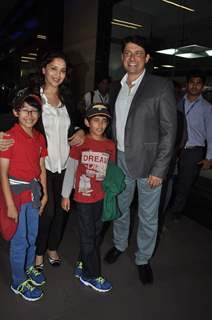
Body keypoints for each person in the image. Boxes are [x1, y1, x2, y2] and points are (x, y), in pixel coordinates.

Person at [104, 35, 177, 285]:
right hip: (120, 159)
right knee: (121, 208)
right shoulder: (116, 86)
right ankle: (119, 244)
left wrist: (160, 169)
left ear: (147, 58)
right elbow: (110, 123)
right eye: (127, 53)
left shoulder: (160, 86)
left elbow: (169, 131)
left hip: (149, 164)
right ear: (122, 57)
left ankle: (143, 258)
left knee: (148, 215)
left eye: (138, 53)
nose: (132, 57)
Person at [32, 51, 84, 270]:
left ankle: (53, 247)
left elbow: (79, 123)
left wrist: (81, 130)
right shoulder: (32, 97)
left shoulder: (68, 99)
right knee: (47, 211)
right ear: (44, 69)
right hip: (42, 166)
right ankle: (38, 252)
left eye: (62, 70)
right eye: (53, 68)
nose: (57, 74)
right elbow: (14, 119)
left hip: (65, 165)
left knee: (62, 210)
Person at [61, 103, 116, 293]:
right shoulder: (81, 143)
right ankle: (90, 275)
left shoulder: (110, 145)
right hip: (83, 198)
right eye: (95, 120)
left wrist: (111, 195)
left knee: (94, 235)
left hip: (101, 197)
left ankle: (81, 263)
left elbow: (111, 173)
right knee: (87, 236)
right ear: (87, 122)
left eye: (104, 121)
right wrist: (65, 194)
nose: (100, 125)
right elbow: (71, 168)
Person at [0, 91, 47, 301]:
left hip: (34, 193)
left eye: (34, 110)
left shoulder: (39, 137)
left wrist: (44, 193)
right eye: (25, 110)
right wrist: (10, 204)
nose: (30, 115)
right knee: (19, 241)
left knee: (31, 236)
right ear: (15, 112)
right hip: (17, 195)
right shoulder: (9, 137)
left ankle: (28, 268)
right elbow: (2, 172)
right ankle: (18, 282)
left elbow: (41, 167)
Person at [167, 70, 212, 221]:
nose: (194, 86)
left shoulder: (207, 108)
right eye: (192, 82)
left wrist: (209, 158)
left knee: (185, 183)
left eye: (198, 83)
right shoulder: (177, 102)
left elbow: (211, 134)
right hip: (174, 148)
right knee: (168, 178)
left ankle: (176, 211)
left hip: (193, 151)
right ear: (187, 85)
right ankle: (165, 206)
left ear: (202, 86)